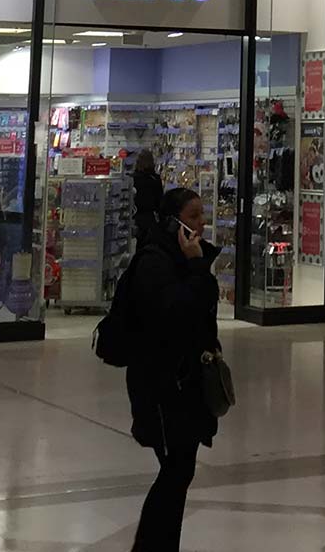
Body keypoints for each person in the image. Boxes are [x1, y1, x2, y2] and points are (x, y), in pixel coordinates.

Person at [124, 186, 221, 552]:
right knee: (176, 471)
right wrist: (197, 265)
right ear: (174, 221)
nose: (202, 222)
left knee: (179, 472)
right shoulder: (155, 262)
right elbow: (176, 313)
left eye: (201, 214)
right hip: (163, 387)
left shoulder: (179, 258)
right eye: (194, 215)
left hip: (184, 385)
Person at [133, 150, 164, 250]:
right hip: (150, 219)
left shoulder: (133, 179)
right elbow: (159, 202)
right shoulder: (155, 179)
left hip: (134, 218)